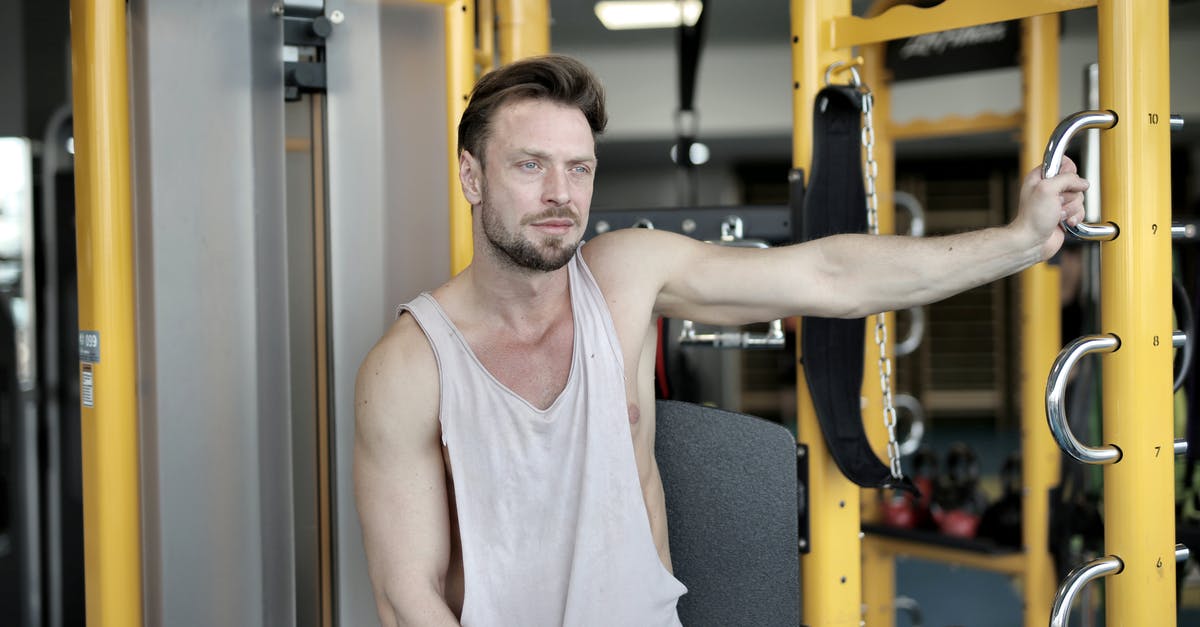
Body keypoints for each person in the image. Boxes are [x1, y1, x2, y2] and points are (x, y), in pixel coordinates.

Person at [353, 54, 1088, 626]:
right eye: (529, 165)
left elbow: (830, 275)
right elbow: (404, 595)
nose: (560, 194)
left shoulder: (626, 277)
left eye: (579, 169)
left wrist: (1020, 242)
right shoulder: (411, 365)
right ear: (471, 176)